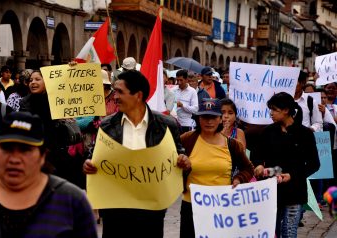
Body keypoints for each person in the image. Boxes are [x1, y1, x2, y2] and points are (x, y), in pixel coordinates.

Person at [83, 70, 191, 238]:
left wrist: (184, 162)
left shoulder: (166, 125)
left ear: (138, 95)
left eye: (120, 91)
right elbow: (94, 156)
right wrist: (88, 163)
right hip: (115, 209)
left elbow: (178, 159)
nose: (115, 97)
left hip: (151, 210)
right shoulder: (107, 125)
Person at [0, 111, 97, 237]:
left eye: (25, 150)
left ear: (43, 155)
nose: (15, 159)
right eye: (7, 148)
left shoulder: (72, 201)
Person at [179, 98, 254, 238]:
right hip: (191, 207)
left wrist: (239, 179)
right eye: (205, 117)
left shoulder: (233, 145)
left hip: (222, 209)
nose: (209, 121)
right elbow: (169, 162)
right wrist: (180, 162)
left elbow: (248, 169)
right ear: (198, 118)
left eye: (213, 117)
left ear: (220, 119)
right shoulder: (187, 139)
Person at [253, 92, 320, 238]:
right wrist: (258, 165)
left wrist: (292, 175)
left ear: (286, 110)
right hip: (270, 191)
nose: (271, 113)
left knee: (289, 232)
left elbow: (314, 164)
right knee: (271, 232)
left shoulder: (305, 134)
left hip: (294, 191)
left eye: (274, 109)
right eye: (270, 109)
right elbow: (257, 155)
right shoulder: (267, 132)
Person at [19, 70, 83, 187]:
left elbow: (72, 85)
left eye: (37, 79)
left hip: (56, 152)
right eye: (31, 80)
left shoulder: (57, 100)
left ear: (47, 82)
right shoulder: (25, 102)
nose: (33, 82)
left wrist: (72, 68)